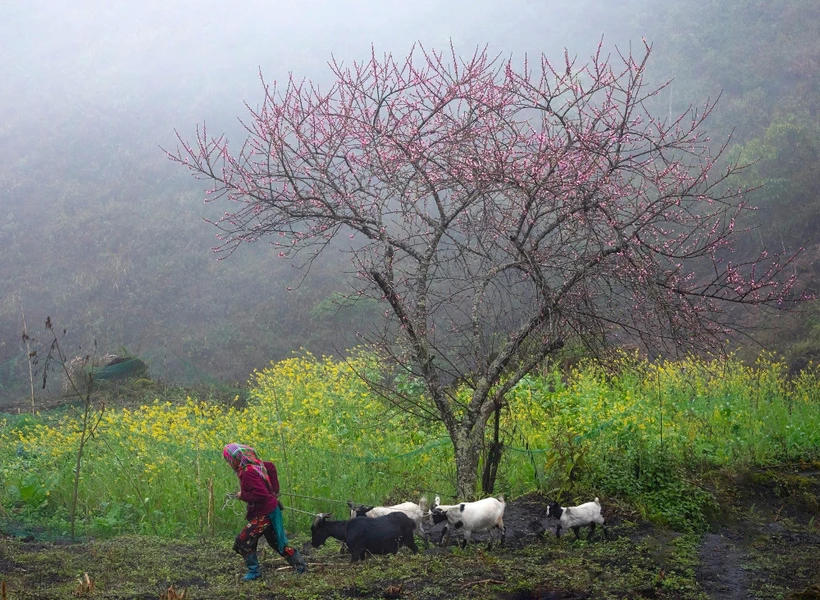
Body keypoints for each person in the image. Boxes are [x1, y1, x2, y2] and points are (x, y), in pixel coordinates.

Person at [222, 443, 307, 580]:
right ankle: (300, 566)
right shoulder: (257, 465)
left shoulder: (247, 472)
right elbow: (271, 467)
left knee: (243, 540)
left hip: (265, 513)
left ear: (235, 459)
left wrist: (241, 495)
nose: (229, 463)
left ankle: (254, 572)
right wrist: (274, 490)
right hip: (268, 510)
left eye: (229, 460)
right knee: (275, 542)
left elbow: (260, 494)